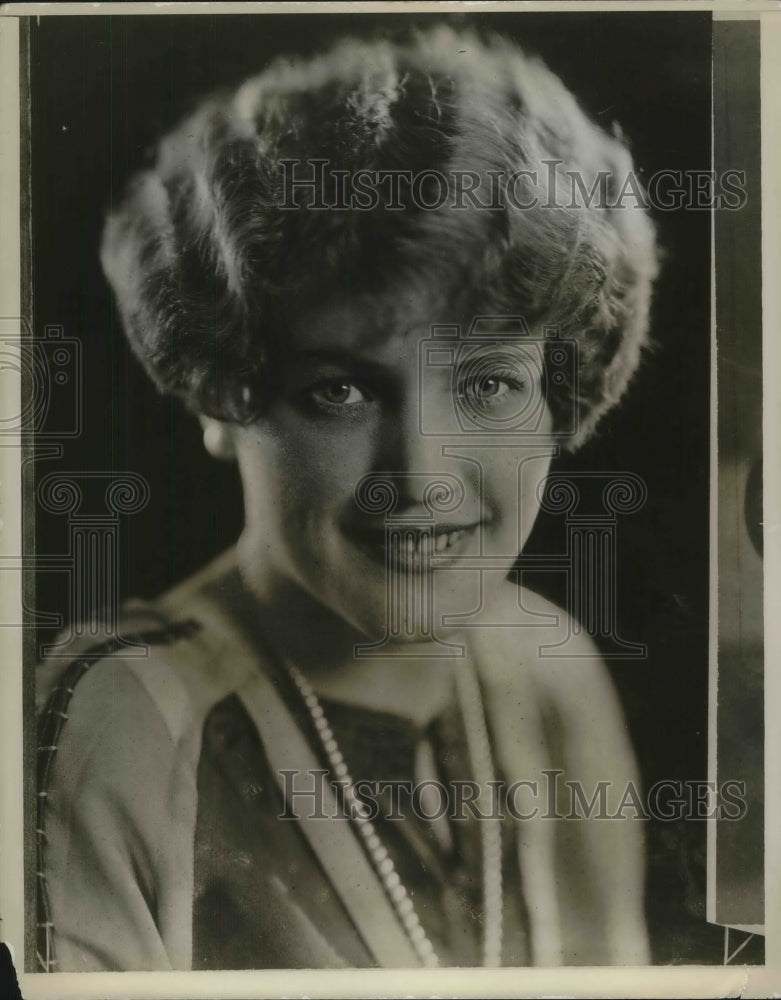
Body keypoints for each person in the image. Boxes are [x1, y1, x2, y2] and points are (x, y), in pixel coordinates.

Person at [35, 25, 658, 972]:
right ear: (220, 396)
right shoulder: (118, 718)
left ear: (559, 396)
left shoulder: (549, 678)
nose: (421, 476)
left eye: (487, 384)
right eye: (340, 390)